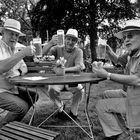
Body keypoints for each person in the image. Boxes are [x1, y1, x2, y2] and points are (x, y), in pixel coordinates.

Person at [92, 19, 140, 140]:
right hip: (128, 93)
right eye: (124, 37)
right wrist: (107, 50)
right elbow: (118, 60)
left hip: (136, 101)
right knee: (105, 95)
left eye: (130, 36)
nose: (126, 40)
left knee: (101, 106)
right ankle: (124, 131)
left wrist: (107, 75)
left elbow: (137, 80)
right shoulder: (131, 53)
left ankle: (121, 135)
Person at [0, 18, 38, 128]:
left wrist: (17, 71)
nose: (14, 38)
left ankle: (10, 123)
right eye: (11, 34)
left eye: (16, 35)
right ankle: (3, 128)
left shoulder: (15, 48)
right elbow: (1, 67)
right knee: (22, 107)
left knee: (34, 96)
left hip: (10, 88)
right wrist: (23, 53)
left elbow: (24, 68)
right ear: (3, 32)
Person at [42, 28, 85, 120]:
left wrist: (64, 70)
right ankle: (60, 107)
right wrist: (50, 43)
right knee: (51, 89)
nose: (70, 42)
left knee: (80, 90)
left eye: (73, 40)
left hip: (72, 80)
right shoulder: (57, 48)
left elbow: (79, 67)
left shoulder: (79, 51)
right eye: (68, 39)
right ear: (65, 39)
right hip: (58, 80)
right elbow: (42, 54)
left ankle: (73, 112)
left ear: (76, 41)